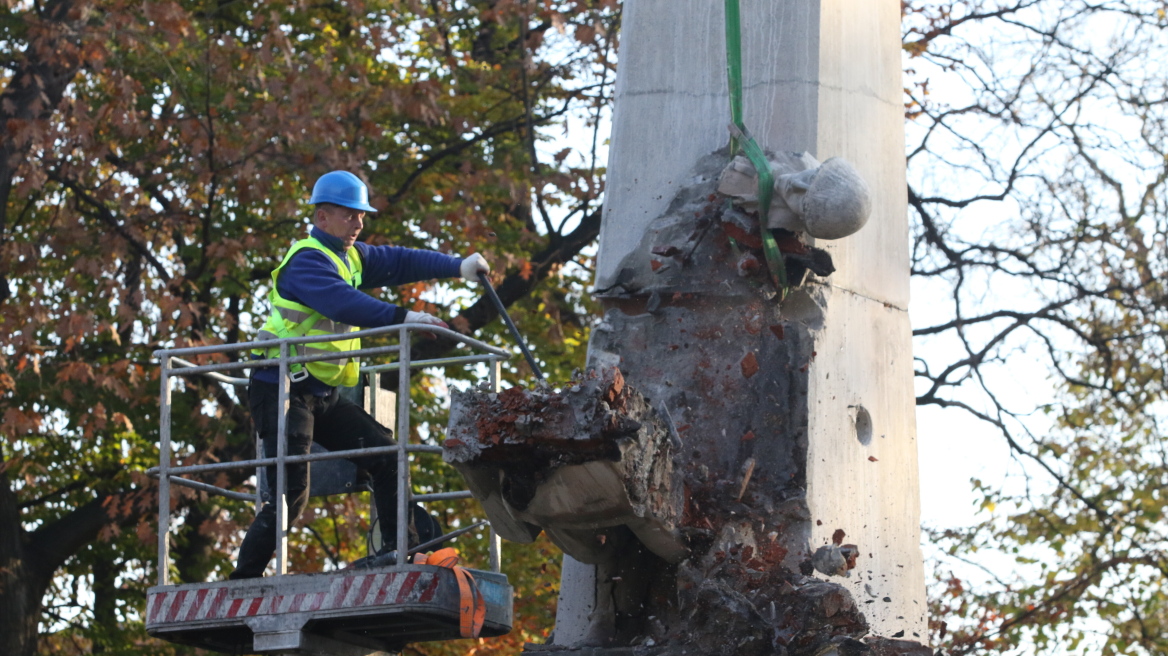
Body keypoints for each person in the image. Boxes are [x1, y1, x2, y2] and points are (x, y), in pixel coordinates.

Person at [230, 170, 490, 579]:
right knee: (290, 497)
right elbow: (342, 302)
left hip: (320, 393)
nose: (359, 223)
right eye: (350, 215)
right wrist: (405, 317)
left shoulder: (349, 257)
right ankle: (242, 580)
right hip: (280, 388)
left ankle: (398, 550)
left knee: (386, 455)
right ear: (322, 217)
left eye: (362, 215)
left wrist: (458, 266)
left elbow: (399, 260)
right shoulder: (306, 261)